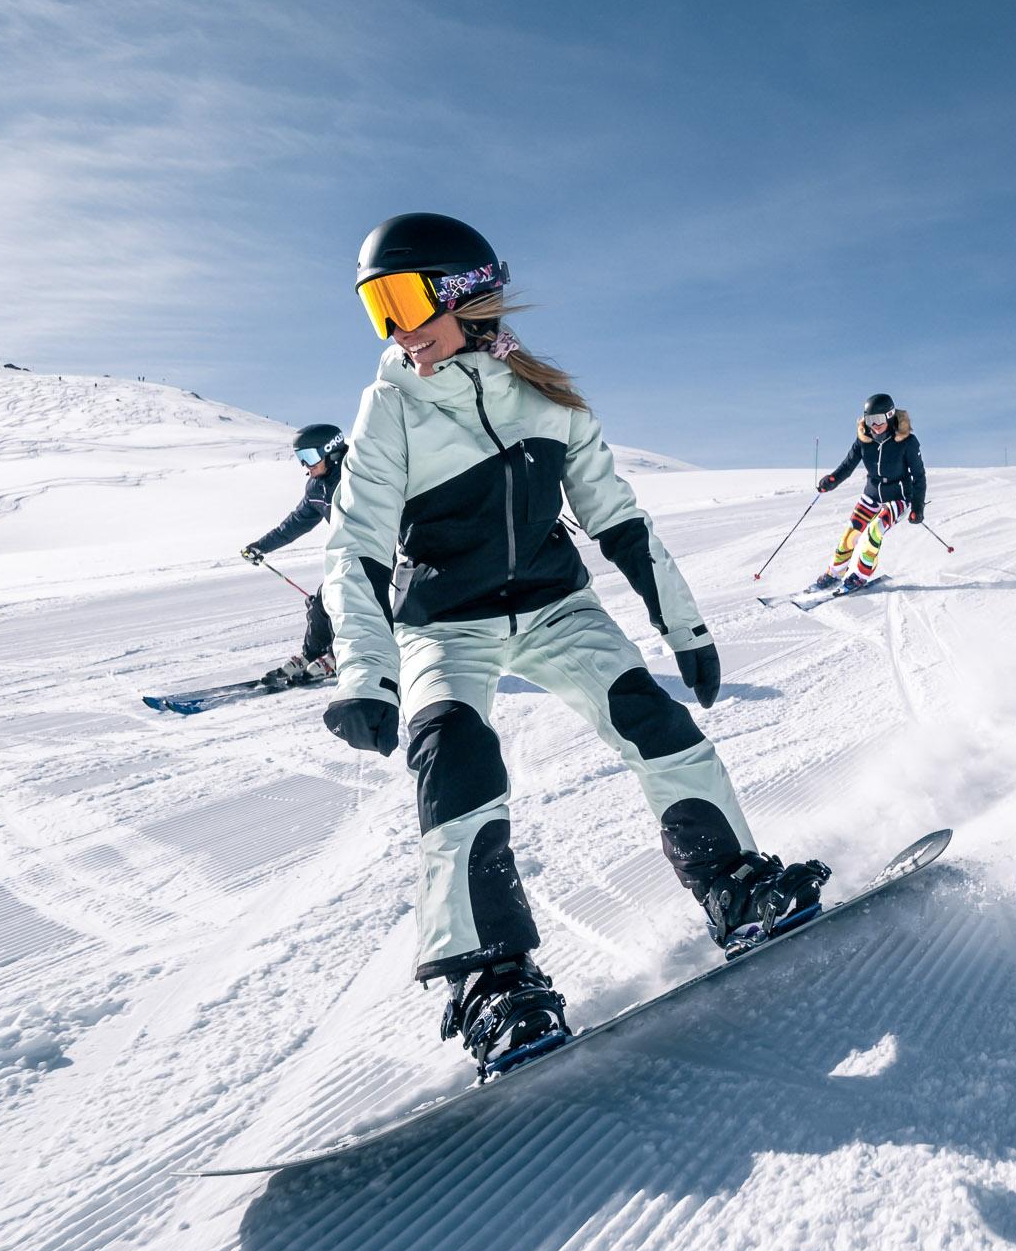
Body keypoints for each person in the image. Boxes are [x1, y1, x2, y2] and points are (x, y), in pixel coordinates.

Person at [320, 213, 831, 1077]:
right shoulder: (390, 409)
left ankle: (732, 882)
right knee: (456, 753)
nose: (397, 328)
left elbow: (619, 517)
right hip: (448, 621)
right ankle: (492, 980)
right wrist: (364, 671)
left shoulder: (547, 395)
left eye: (404, 298)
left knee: (653, 720)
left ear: (460, 293)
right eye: (378, 308)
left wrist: (685, 626)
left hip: (557, 606)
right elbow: (356, 543)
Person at [241, 424, 346, 685]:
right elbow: (296, 523)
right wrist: (260, 546)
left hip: (378, 551)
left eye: (309, 458)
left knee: (348, 602)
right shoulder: (316, 487)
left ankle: (340, 655)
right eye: (301, 460)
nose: (306, 467)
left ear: (331, 451)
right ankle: (312, 655)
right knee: (321, 604)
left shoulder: (357, 475)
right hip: (345, 553)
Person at [812, 393, 927, 593]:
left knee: (875, 530)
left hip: (898, 496)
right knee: (852, 531)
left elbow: (919, 476)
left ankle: (860, 575)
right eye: (870, 419)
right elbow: (847, 466)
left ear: (890, 416)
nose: (874, 425)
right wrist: (831, 480)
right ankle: (835, 573)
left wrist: (917, 507)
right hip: (872, 494)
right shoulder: (864, 440)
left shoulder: (907, 441)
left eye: (879, 419)